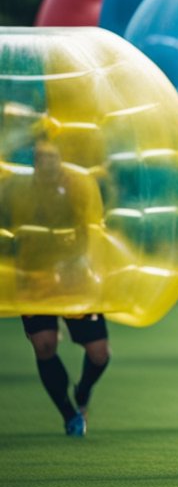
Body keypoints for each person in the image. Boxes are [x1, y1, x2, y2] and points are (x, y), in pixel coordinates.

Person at [6, 140, 110, 436]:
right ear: (33, 161)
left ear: (61, 159)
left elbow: (93, 227)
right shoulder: (16, 190)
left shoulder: (78, 186)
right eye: (41, 157)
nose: (47, 162)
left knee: (99, 353)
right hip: (34, 277)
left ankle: (83, 392)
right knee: (44, 344)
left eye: (52, 156)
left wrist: (84, 261)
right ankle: (70, 415)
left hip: (74, 277)